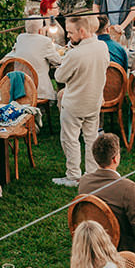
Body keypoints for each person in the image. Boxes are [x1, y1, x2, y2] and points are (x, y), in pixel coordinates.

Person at [53, 13, 110, 187]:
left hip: (75, 103)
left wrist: (69, 54)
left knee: (70, 139)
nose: (68, 35)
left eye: (70, 32)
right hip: (94, 101)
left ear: (82, 31)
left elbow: (59, 76)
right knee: (91, 138)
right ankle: (91, 173)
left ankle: (73, 175)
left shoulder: (75, 54)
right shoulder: (102, 47)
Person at [78, 132, 135, 252]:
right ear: (115, 158)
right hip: (121, 248)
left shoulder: (84, 182)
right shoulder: (127, 188)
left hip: (93, 242)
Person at [3, 17, 59, 101]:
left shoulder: (20, 38)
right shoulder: (45, 41)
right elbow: (58, 61)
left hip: (21, 86)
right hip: (39, 89)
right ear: (40, 29)